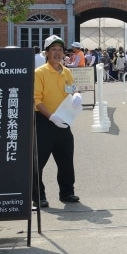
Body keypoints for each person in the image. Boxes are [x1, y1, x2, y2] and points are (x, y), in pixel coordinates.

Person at [33, 35, 81, 208]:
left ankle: (67, 192)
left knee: (66, 159)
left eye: (60, 49)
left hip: (64, 120)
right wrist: (51, 116)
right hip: (44, 121)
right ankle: (38, 196)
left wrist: (76, 95)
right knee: (38, 161)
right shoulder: (40, 73)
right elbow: (36, 100)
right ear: (46, 53)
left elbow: (71, 88)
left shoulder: (66, 71)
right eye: (53, 49)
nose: (57, 53)